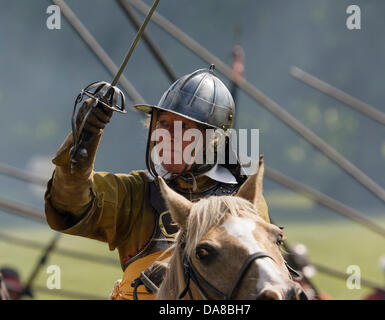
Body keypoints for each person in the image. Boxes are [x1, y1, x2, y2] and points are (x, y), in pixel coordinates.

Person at [44, 66, 270, 300]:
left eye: (183, 128)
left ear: (213, 140)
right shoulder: (137, 191)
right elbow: (69, 205)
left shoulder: (242, 200)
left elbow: (256, 278)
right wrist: (83, 143)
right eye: (163, 124)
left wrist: (178, 270)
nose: (168, 136)